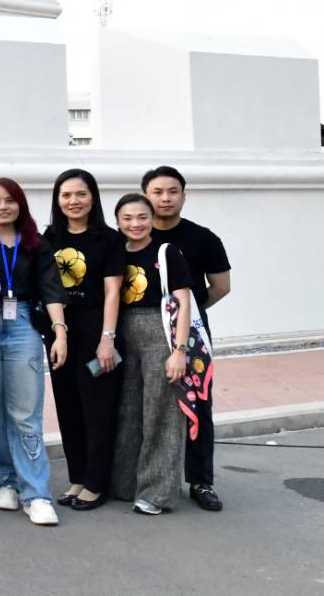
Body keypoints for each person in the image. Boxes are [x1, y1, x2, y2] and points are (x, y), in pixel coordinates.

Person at [0, 178, 67, 527]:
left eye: (10, 200)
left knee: (25, 413)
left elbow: (51, 289)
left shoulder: (35, 243)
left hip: (23, 324)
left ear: (20, 205)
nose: (3, 207)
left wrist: (59, 332)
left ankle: (36, 493)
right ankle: (4, 482)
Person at [143, 165, 230, 512]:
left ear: (183, 195)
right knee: (144, 404)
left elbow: (221, 286)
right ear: (146, 195)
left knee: (198, 403)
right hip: (143, 332)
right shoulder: (135, 234)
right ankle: (144, 476)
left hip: (191, 335)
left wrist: (190, 314)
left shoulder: (203, 238)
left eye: (172, 191)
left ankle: (200, 481)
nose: (165, 198)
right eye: (157, 192)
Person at [42, 168, 124, 511]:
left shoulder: (109, 239)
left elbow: (112, 292)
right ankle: (77, 477)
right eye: (66, 195)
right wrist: (56, 332)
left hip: (96, 332)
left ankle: (96, 483)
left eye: (81, 194)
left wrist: (107, 339)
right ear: (57, 200)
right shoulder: (50, 237)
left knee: (97, 408)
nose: (73, 201)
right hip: (60, 333)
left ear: (93, 198)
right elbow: (47, 287)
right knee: (69, 406)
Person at [108, 193, 193, 515]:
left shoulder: (166, 251)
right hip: (123, 332)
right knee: (128, 409)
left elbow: (183, 302)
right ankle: (126, 483)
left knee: (161, 413)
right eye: (127, 218)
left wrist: (179, 351)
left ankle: (156, 493)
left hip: (159, 332)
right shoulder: (116, 250)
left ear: (151, 219)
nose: (135, 224)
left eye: (142, 217)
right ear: (118, 221)